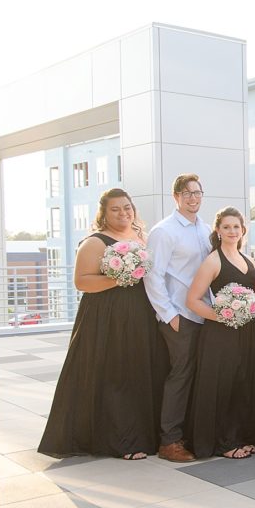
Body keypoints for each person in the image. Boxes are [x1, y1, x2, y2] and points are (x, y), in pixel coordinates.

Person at [39, 189, 166, 460]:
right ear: (104, 214)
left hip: (140, 314)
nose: (123, 213)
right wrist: (119, 278)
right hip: (107, 317)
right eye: (115, 209)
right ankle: (121, 441)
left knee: (139, 373)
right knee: (115, 376)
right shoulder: (95, 243)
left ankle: (143, 434)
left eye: (127, 207)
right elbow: (81, 281)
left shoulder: (141, 237)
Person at [185, 208, 255, 458]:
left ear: (243, 230)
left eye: (236, 227)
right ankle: (225, 442)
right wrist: (225, 315)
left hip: (252, 330)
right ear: (218, 231)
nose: (232, 231)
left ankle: (245, 435)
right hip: (223, 333)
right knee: (226, 384)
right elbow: (193, 300)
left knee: (247, 382)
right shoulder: (213, 261)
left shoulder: (248, 259)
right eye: (226, 227)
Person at [145, 174, 213, 462]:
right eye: (186, 193)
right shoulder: (164, 231)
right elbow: (153, 275)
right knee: (180, 376)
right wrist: (169, 316)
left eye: (197, 192)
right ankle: (169, 441)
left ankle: (192, 435)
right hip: (179, 318)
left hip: (204, 316)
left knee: (199, 377)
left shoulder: (205, 229)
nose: (193, 198)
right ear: (176, 197)